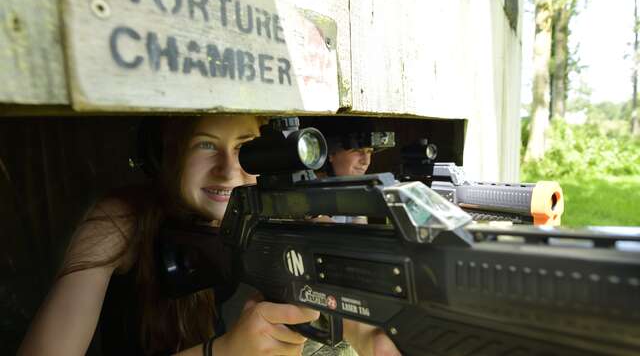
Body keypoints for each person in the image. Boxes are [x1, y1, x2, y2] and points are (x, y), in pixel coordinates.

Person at [17, 115, 401, 356]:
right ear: (166, 154)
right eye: (204, 144)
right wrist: (222, 352)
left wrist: (362, 329)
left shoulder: (262, 212)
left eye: (246, 148)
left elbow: (317, 278)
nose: (229, 169)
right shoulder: (119, 219)